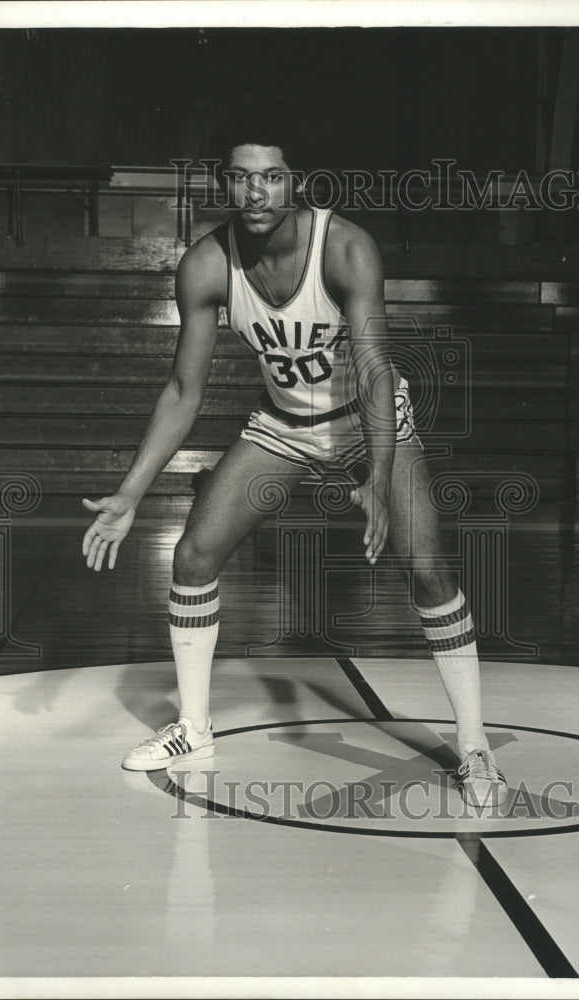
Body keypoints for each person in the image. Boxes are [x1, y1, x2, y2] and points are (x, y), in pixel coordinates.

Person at [82, 96, 508, 807]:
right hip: (281, 426)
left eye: (272, 177)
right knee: (192, 556)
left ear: (296, 180)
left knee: (426, 567)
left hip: (367, 420)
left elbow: (373, 367)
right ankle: (194, 728)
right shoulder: (205, 264)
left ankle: (474, 748)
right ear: (223, 182)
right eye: (242, 177)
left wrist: (375, 471)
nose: (257, 192)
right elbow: (183, 390)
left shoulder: (344, 248)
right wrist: (129, 492)